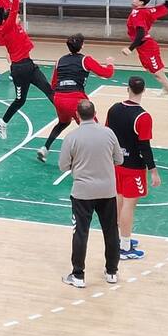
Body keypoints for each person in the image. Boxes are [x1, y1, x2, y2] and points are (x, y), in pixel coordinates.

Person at [58, 99, 122, 288]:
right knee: (111, 231)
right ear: (95, 113)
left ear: (77, 115)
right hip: (107, 191)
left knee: (80, 233)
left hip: (82, 193)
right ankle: (112, 272)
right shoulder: (108, 133)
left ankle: (78, 276)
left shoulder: (72, 137)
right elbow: (118, 160)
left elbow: (63, 166)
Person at [106, 76, 162, 261]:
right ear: (144, 90)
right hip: (133, 168)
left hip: (115, 164)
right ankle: (124, 247)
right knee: (128, 206)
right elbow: (144, 147)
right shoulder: (143, 117)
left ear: (127, 89)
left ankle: (117, 240)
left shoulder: (114, 109)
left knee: (118, 202)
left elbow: (107, 135)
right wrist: (153, 171)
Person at [37, 34, 115, 163]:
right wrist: (110, 64)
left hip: (59, 99)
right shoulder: (85, 60)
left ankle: (45, 148)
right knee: (93, 130)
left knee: (63, 122)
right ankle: (96, 160)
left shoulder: (60, 60)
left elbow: (53, 84)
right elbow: (106, 73)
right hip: (75, 100)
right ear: (82, 45)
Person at [0, 0, 53, 140]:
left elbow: (10, 10)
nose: (19, 17)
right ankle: (3, 122)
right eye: (17, 17)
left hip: (30, 65)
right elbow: (12, 11)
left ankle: (65, 114)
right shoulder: (6, 29)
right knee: (20, 100)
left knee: (48, 89)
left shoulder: (17, 27)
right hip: (19, 70)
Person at [122, 0, 168, 120]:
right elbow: (165, 6)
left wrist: (130, 48)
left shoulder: (137, 14)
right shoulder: (148, 10)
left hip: (147, 47)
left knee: (159, 74)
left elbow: (140, 32)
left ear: (141, 2)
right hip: (146, 47)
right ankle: (166, 88)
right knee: (153, 71)